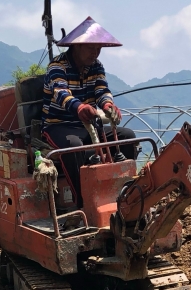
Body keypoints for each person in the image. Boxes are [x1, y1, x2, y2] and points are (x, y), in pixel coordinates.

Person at [41, 17, 137, 204]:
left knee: (128, 136)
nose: (95, 53)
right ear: (76, 46)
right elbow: (61, 93)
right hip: (59, 126)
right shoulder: (57, 66)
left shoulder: (96, 66)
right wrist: (80, 107)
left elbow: (102, 90)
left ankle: (126, 195)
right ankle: (83, 202)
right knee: (74, 147)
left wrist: (108, 104)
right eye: (91, 48)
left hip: (89, 126)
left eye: (98, 48)